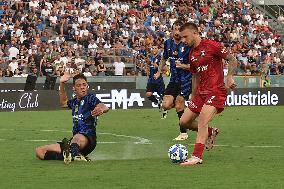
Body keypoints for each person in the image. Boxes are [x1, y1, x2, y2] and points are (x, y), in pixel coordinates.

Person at [178, 22, 237, 165]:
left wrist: (229, 77)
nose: (183, 41)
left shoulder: (212, 45)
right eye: (182, 38)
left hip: (216, 90)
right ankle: (211, 132)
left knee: (203, 119)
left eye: (185, 37)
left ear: (195, 33)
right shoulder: (191, 53)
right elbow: (195, 76)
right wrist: (193, 96)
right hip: (200, 93)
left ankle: (196, 156)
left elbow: (232, 59)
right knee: (184, 121)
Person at [35, 73, 109, 164]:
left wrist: (101, 109)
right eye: (79, 85)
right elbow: (63, 103)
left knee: (77, 137)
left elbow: (104, 106)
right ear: (74, 88)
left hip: (88, 140)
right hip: (74, 142)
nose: (82, 87)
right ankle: (71, 155)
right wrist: (62, 83)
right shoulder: (74, 102)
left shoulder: (90, 98)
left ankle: (72, 153)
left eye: (84, 85)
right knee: (40, 151)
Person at [154, 20, 192, 141]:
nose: (177, 32)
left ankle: (183, 133)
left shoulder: (187, 45)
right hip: (174, 79)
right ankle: (187, 117)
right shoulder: (168, 43)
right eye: (175, 29)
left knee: (179, 104)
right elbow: (164, 58)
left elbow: (195, 65)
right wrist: (159, 71)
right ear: (171, 30)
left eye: (179, 29)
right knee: (166, 104)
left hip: (186, 79)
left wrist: (184, 66)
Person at [145, 45, 165, 109]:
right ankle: (157, 102)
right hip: (151, 79)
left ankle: (165, 108)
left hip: (158, 80)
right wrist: (147, 70)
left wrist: (156, 66)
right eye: (153, 48)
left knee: (163, 97)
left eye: (155, 48)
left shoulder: (160, 58)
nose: (154, 49)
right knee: (148, 94)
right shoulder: (151, 58)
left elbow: (164, 68)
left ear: (158, 50)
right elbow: (149, 66)